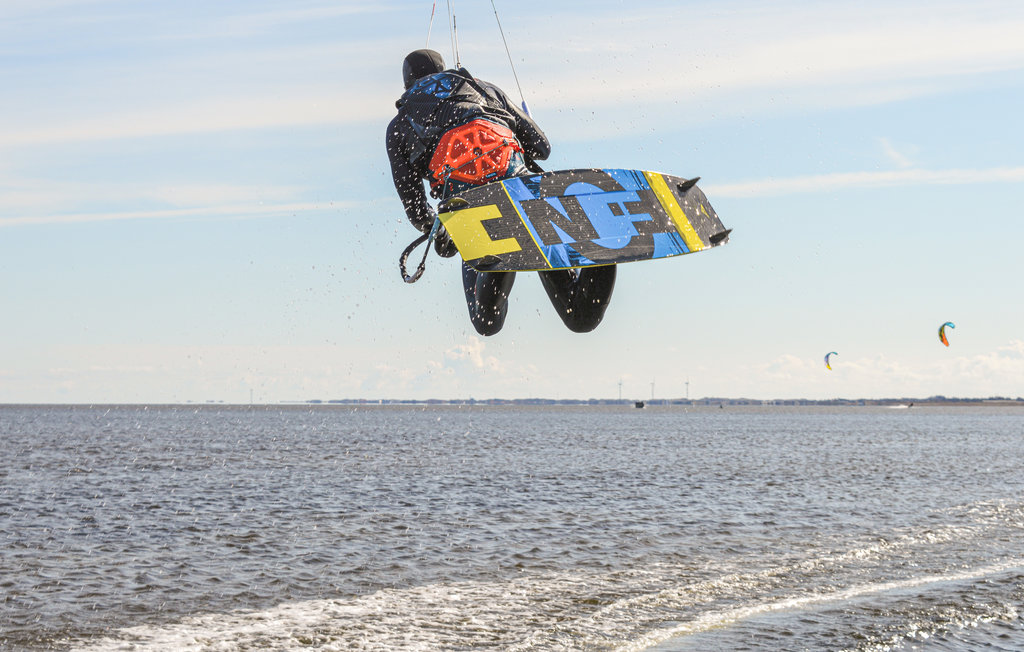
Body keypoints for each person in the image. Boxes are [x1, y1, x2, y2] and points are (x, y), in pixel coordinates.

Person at [386, 49, 616, 336]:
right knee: (581, 317)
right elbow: (542, 148)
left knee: (486, 322)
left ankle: (500, 248)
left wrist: (442, 231)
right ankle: (604, 248)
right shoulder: (486, 89)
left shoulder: (401, 122)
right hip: (525, 194)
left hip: (476, 212)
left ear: (408, 83)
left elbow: (417, 210)